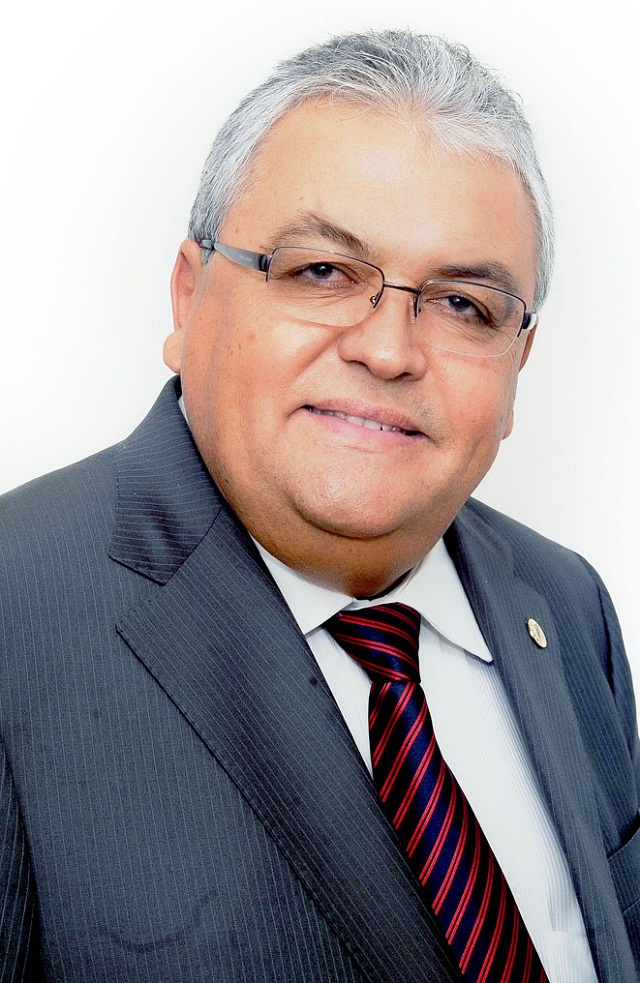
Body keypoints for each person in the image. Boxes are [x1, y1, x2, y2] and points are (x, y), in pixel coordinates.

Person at [0, 28, 638, 983]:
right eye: (322, 272)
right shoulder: (14, 613)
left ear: (518, 366)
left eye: (464, 304)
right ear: (188, 300)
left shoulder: (569, 605)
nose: (388, 350)